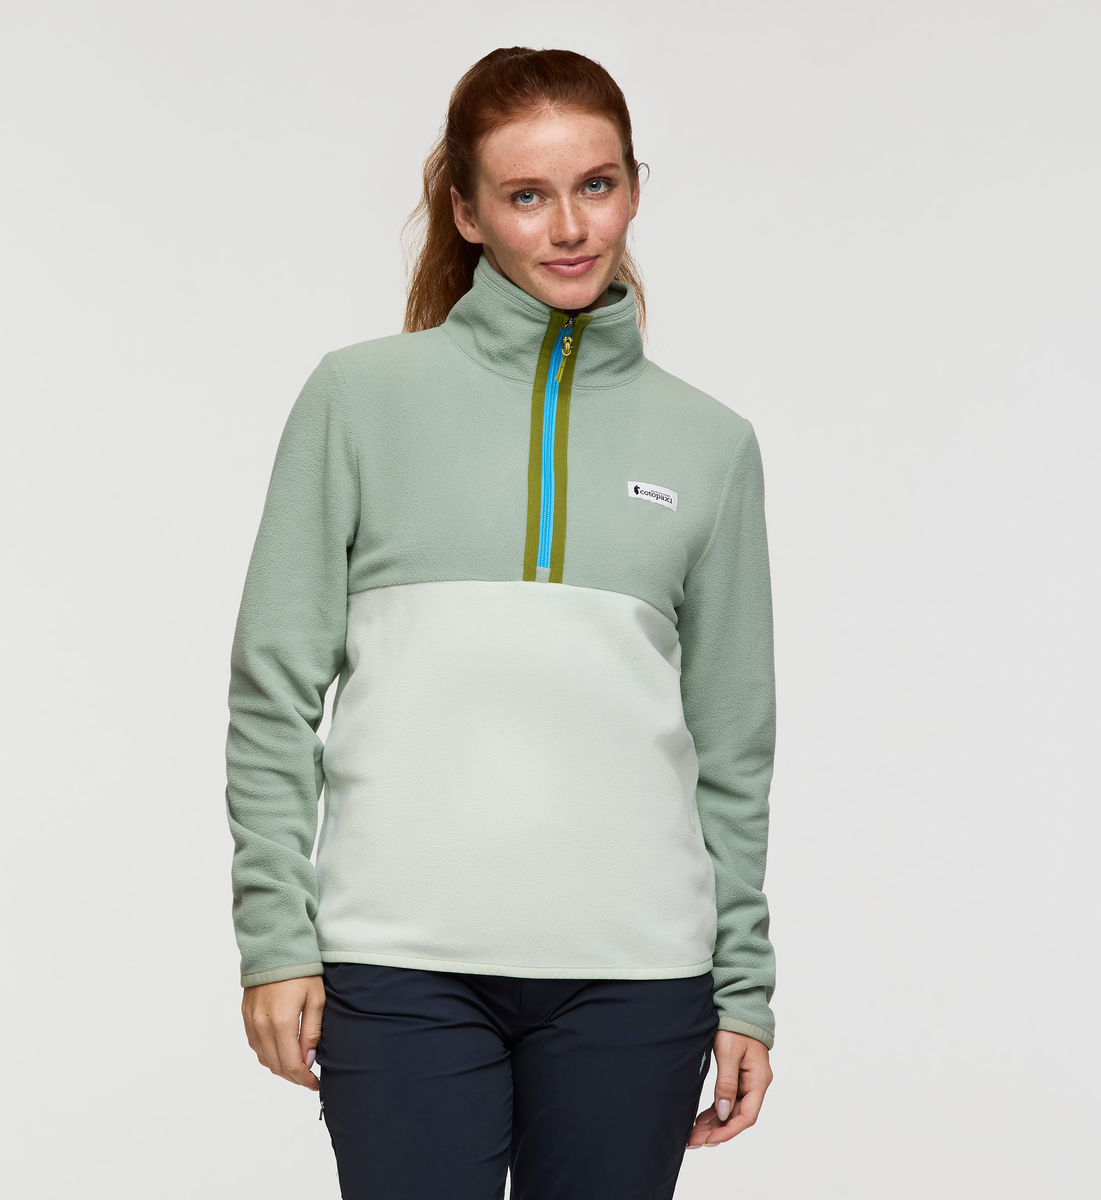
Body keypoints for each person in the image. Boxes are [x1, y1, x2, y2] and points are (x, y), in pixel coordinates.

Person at [225, 46, 776, 1200]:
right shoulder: (359, 399)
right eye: (527, 195)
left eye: (597, 184)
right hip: (399, 968)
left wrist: (744, 989)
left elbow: (735, 745)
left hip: (638, 979)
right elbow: (273, 691)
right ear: (467, 212)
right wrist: (276, 939)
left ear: (634, 188)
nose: (570, 227)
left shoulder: (712, 444)